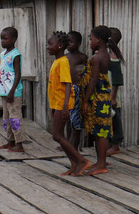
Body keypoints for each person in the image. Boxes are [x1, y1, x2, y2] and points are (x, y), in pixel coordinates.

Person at [80, 26, 122, 176]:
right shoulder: (105, 55)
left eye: (91, 39)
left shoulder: (97, 58)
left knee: (101, 133)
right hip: (103, 96)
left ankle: (102, 163)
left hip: (98, 97)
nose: (90, 42)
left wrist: (85, 101)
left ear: (98, 40)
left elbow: (93, 80)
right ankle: (100, 162)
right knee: (100, 132)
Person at [48, 31, 91, 176]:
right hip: (58, 104)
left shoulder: (63, 63)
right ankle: (74, 164)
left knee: (57, 136)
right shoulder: (57, 61)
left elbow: (67, 85)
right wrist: (53, 107)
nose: (47, 47)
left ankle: (81, 160)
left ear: (60, 46)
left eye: (50, 44)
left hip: (63, 104)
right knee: (58, 135)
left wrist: (66, 106)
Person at [0, 27, 25, 152]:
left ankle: (19, 143)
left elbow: (18, 74)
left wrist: (12, 91)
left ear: (13, 39)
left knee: (15, 118)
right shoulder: (3, 54)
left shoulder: (16, 55)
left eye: (5, 38)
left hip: (13, 93)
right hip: (4, 92)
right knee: (6, 118)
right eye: (1, 38)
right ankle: (10, 141)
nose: (2, 41)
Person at [66, 31, 87, 150]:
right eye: (67, 42)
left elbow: (86, 74)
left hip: (78, 91)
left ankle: (74, 146)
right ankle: (68, 143)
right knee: (68, 119)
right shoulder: (65, 57)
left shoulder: (82, 57)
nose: (68, 44)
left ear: (78, 43)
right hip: (67, 91)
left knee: (76, 121)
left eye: (71, 42)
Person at [106, 27, 125, 156]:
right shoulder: (108, 55)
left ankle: (115, 145)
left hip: (112, 99)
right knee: (108, 121)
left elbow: (117, 80)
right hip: (106, 96)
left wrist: (112, 98)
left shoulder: (113, 58)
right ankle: (109, 144)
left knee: (115, 121)